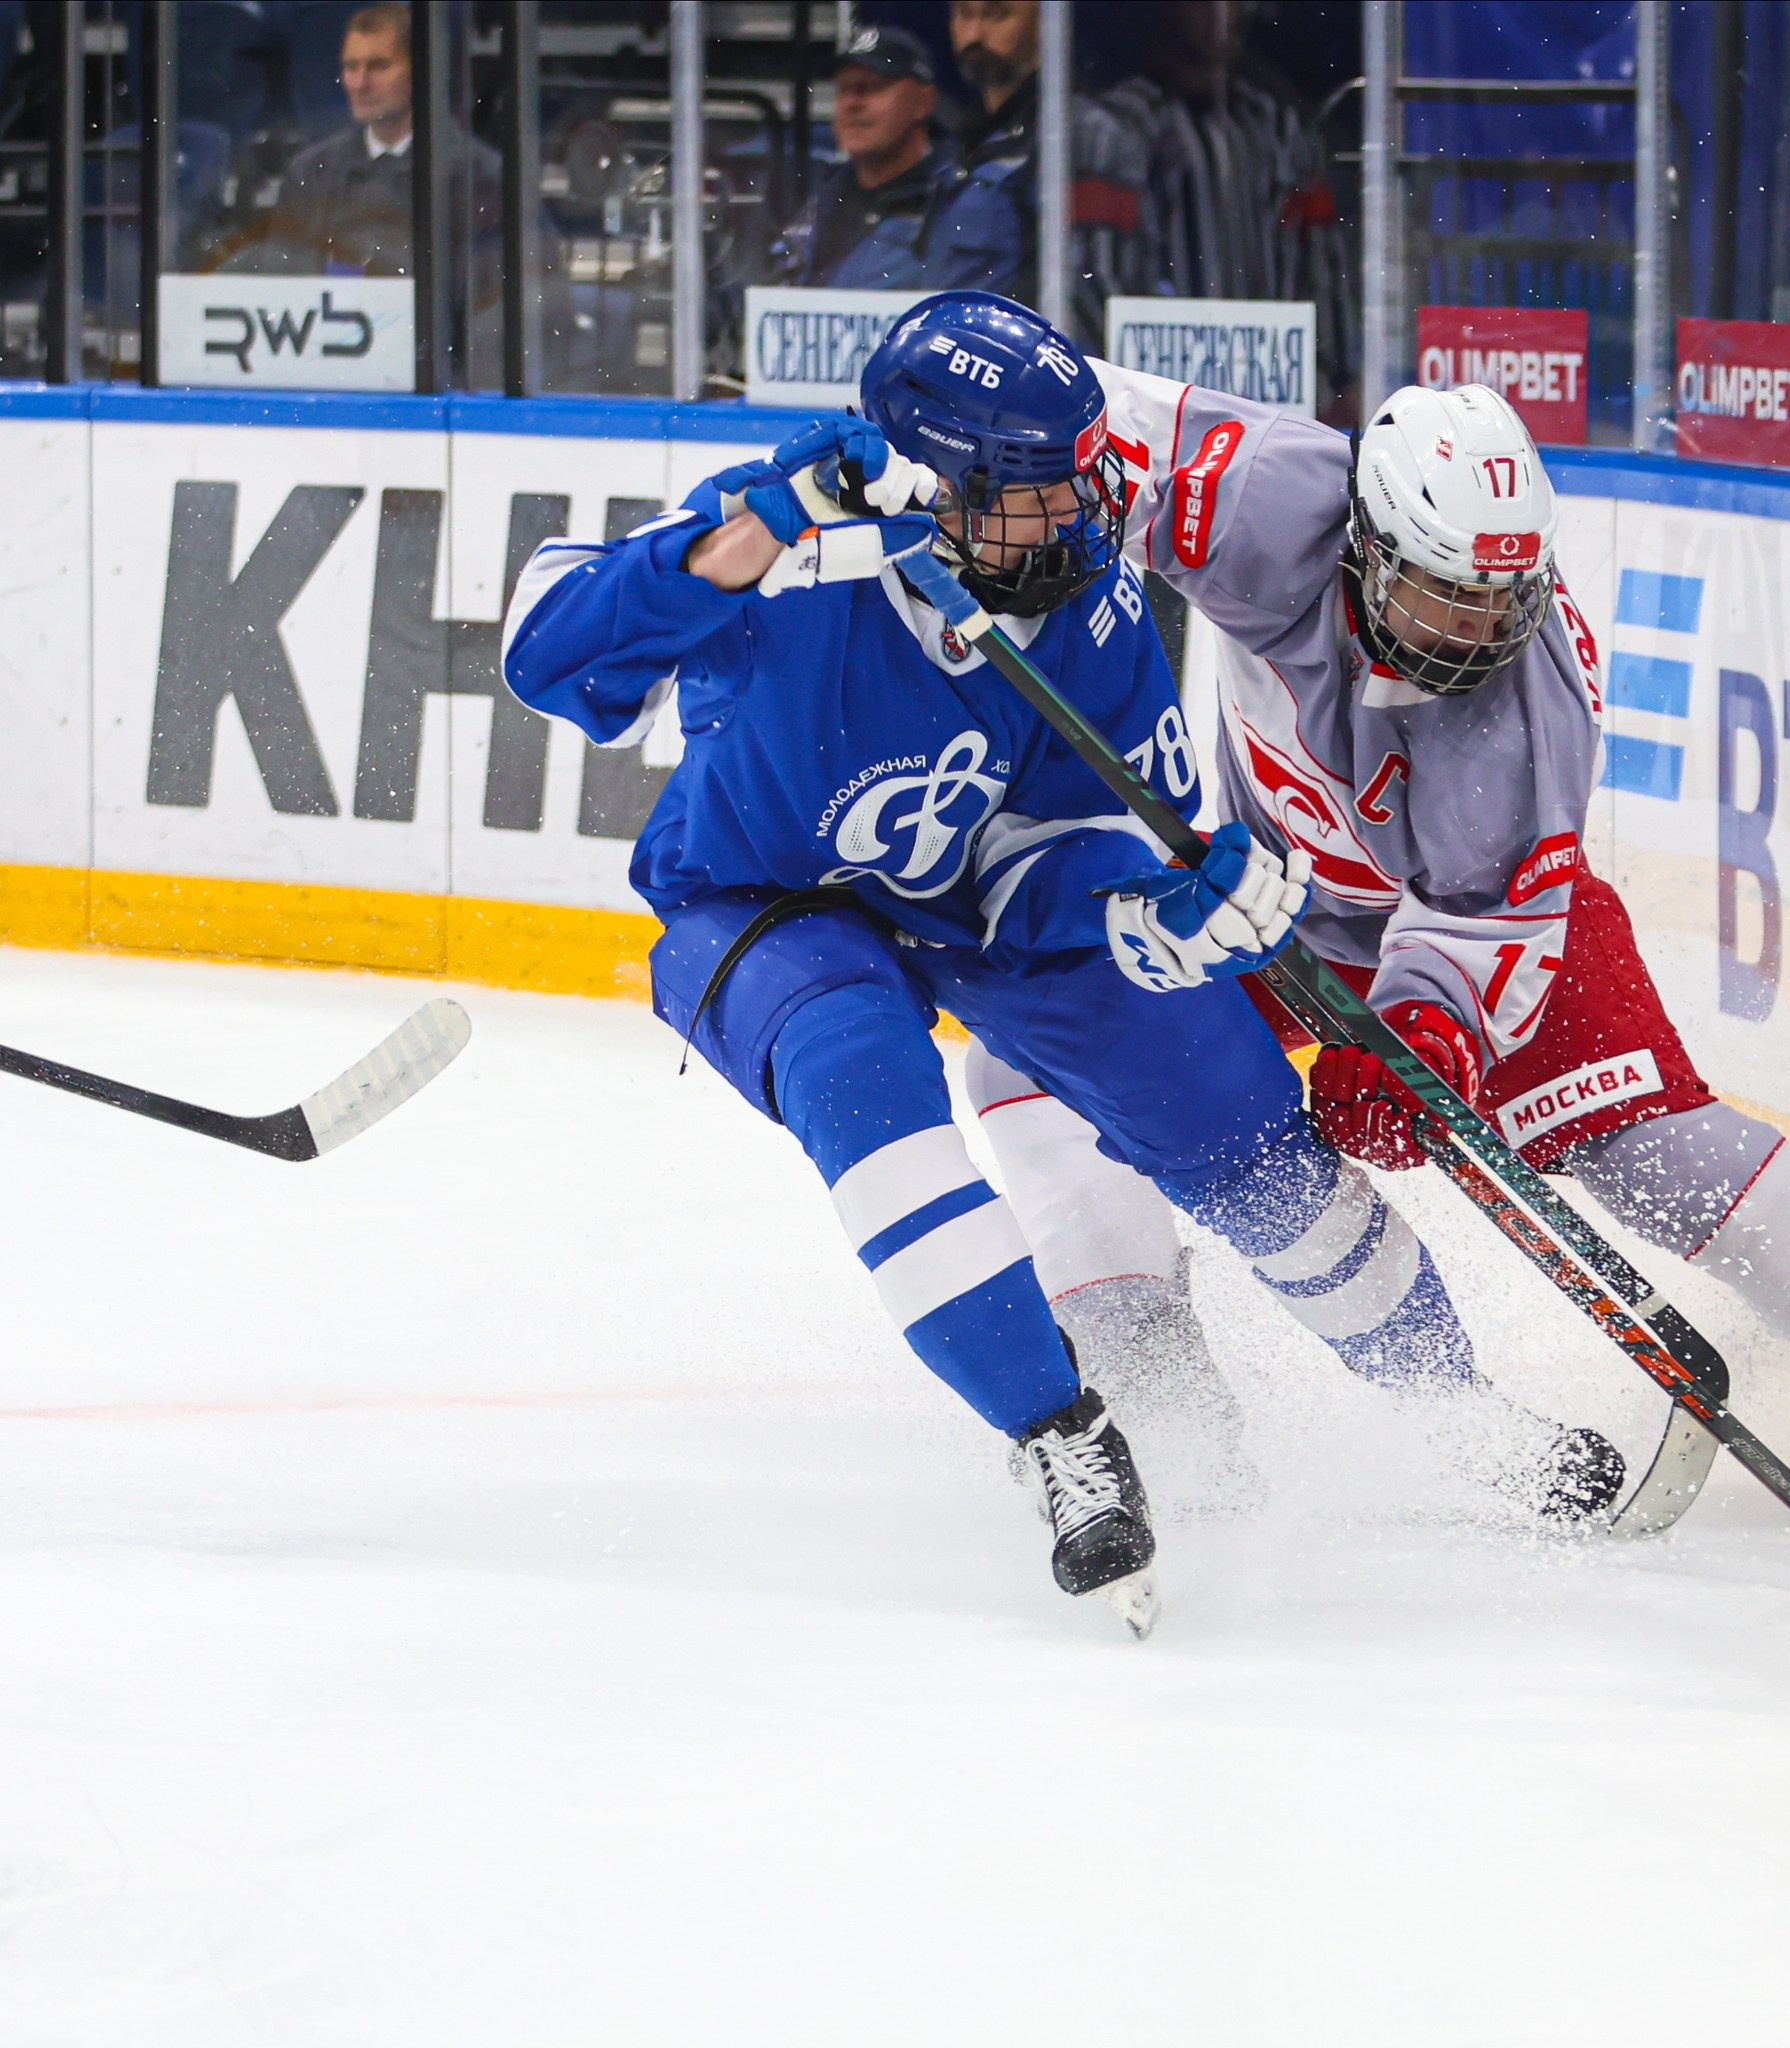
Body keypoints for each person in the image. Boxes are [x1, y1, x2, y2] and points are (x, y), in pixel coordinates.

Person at [498, 292, 1627, 1636]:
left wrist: (1160, 922)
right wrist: (731, 547)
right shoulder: (780, 536)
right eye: (1039, 491)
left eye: (1084, 475)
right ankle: (1056, 1431)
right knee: (863, 1081)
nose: (1085, 511)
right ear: (934, 479)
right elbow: (546, 657)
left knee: (1241, 1119)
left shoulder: (1080, 580)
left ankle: (1455, 1411)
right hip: (764, 900)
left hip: (990, 901)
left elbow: (1088, 837)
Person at [960, 363, 1790, 1521]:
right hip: (1256, 891)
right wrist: (946, 443)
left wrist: (1421, 1033)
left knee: (1649, 1153)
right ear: (1364, 548)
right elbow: (1071, 405)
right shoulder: (1267, 494)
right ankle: (1154, 1382)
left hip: (1470, 928)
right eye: (1445, 597)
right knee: (1029, 1060)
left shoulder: (1523, 710)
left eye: (1501, 600)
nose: (1478, 631)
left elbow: (1482, 919)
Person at [1093, 0, 1359, 418]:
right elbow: (1096, 280)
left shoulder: (1276, 125)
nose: (1229, 15)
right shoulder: (1121, 125)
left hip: (1273, 399)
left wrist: (1343, 376)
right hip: (1155, 405)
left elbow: (1318, 259)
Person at [896, 0, 1146, 338]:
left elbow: (1095, 287)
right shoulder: (962, 143)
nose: (974, 34)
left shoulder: (1080, 135)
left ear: (1045, 22)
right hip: (953, 366)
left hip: (1023, 371)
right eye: (964, 15)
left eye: (998, 15)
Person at [233, 3, 497, 280]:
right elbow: (285, 282)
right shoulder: (311, 172)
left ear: (421, 71)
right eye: (351, 67)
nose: (359, 84)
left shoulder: (480, 174)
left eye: (378, 66)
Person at [771, 24, 951, 289]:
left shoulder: (953, 198)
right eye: (844, 88)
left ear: (923, 102)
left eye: (874, 87)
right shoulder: (821, 198)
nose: (853, 103)